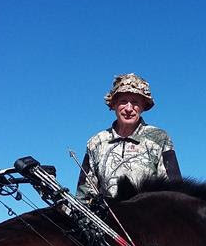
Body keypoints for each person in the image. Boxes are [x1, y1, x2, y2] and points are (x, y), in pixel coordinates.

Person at [76, 73, 181, 201]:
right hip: (105, 218)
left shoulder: (160, 138)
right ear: (114, 104)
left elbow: (175, 192)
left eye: (135, 102)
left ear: (143, 106)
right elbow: (83, 195)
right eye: (123, 102)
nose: (129, 108)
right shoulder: (96, 142)